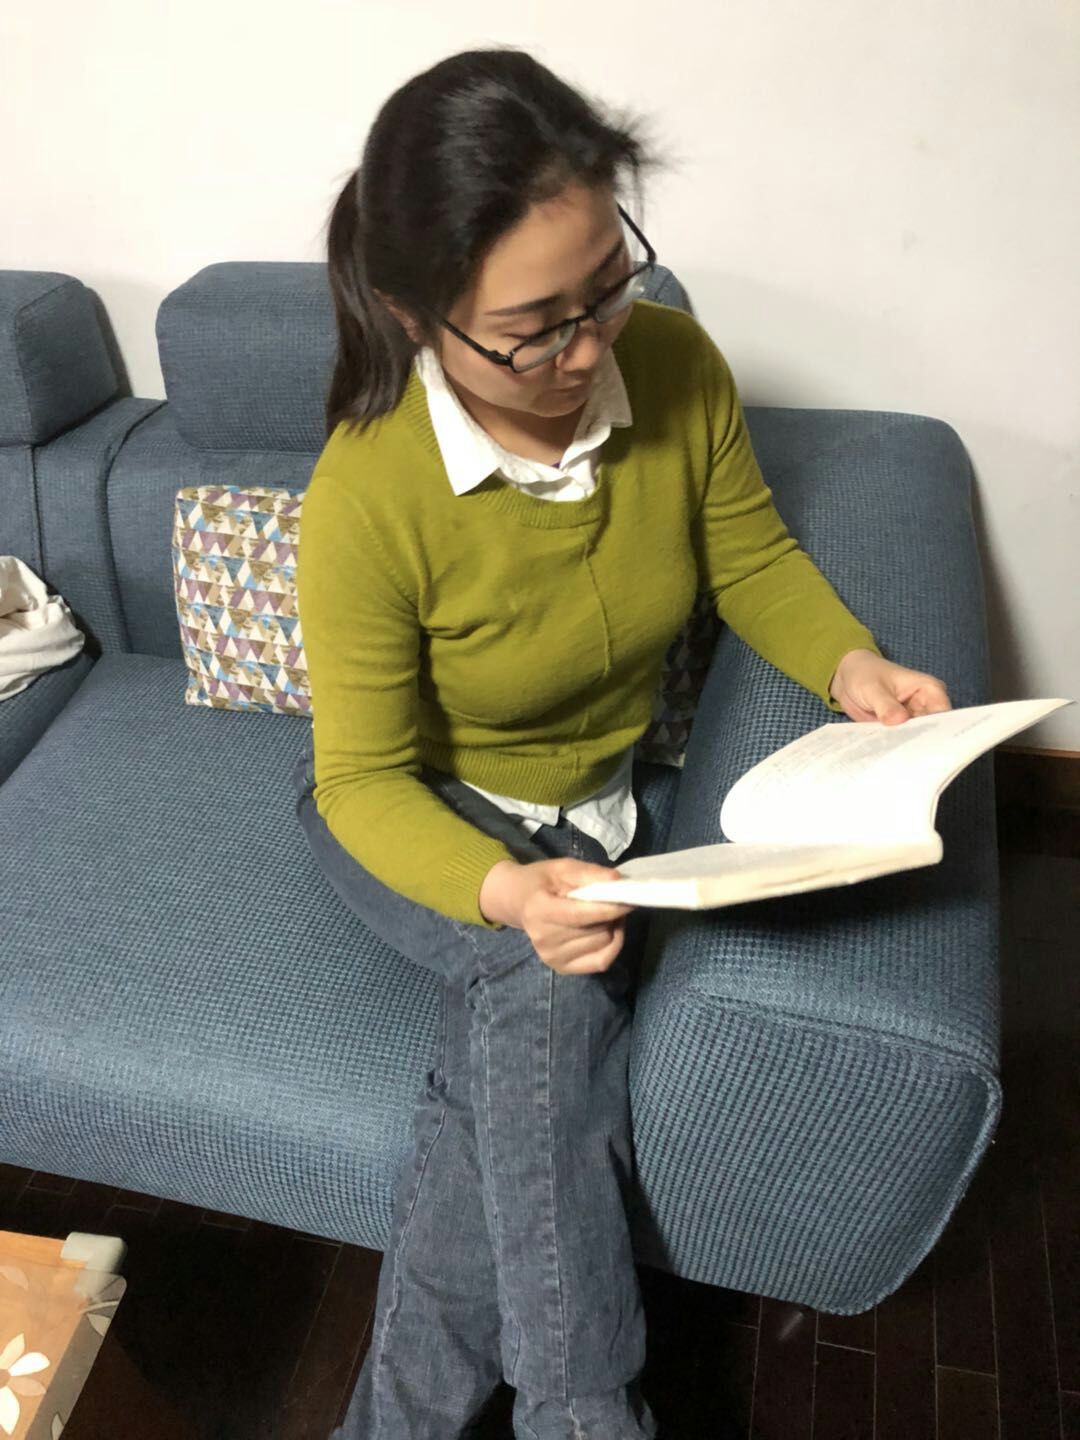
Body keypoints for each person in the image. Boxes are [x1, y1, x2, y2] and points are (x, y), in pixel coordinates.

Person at [292, 45, 953, 1440]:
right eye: (534, 329)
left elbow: (750, 556)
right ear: (417, 316)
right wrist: (503, 890)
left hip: (592, 809)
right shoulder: (368, 491)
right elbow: (359, 780)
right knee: (543, 990)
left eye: (607, 287)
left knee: (495, 1097)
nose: (589, 348)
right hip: (426, 813)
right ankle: (585, 1413)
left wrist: (852, 665)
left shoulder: (675, 367)